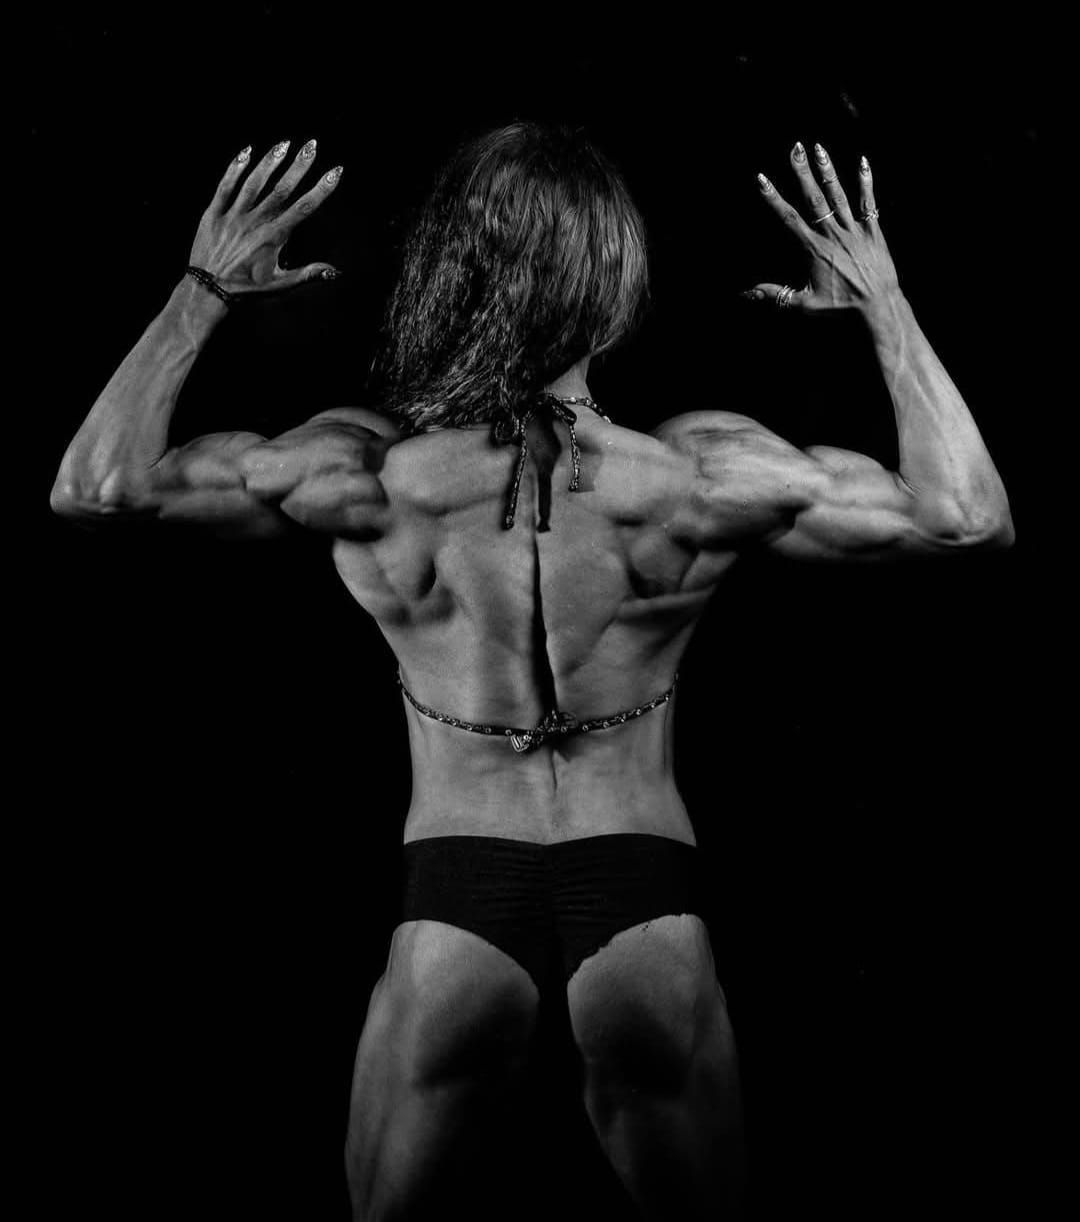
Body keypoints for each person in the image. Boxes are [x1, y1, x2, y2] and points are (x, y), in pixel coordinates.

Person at [50, 121, 1013, 1221]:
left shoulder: (369, 475)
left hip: (456, 891)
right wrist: (885, 305)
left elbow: (98, 488)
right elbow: (966, 520)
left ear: (454, 274)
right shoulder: (699, 475)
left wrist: (203, 290)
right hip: (644, 896)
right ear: (614, 288)